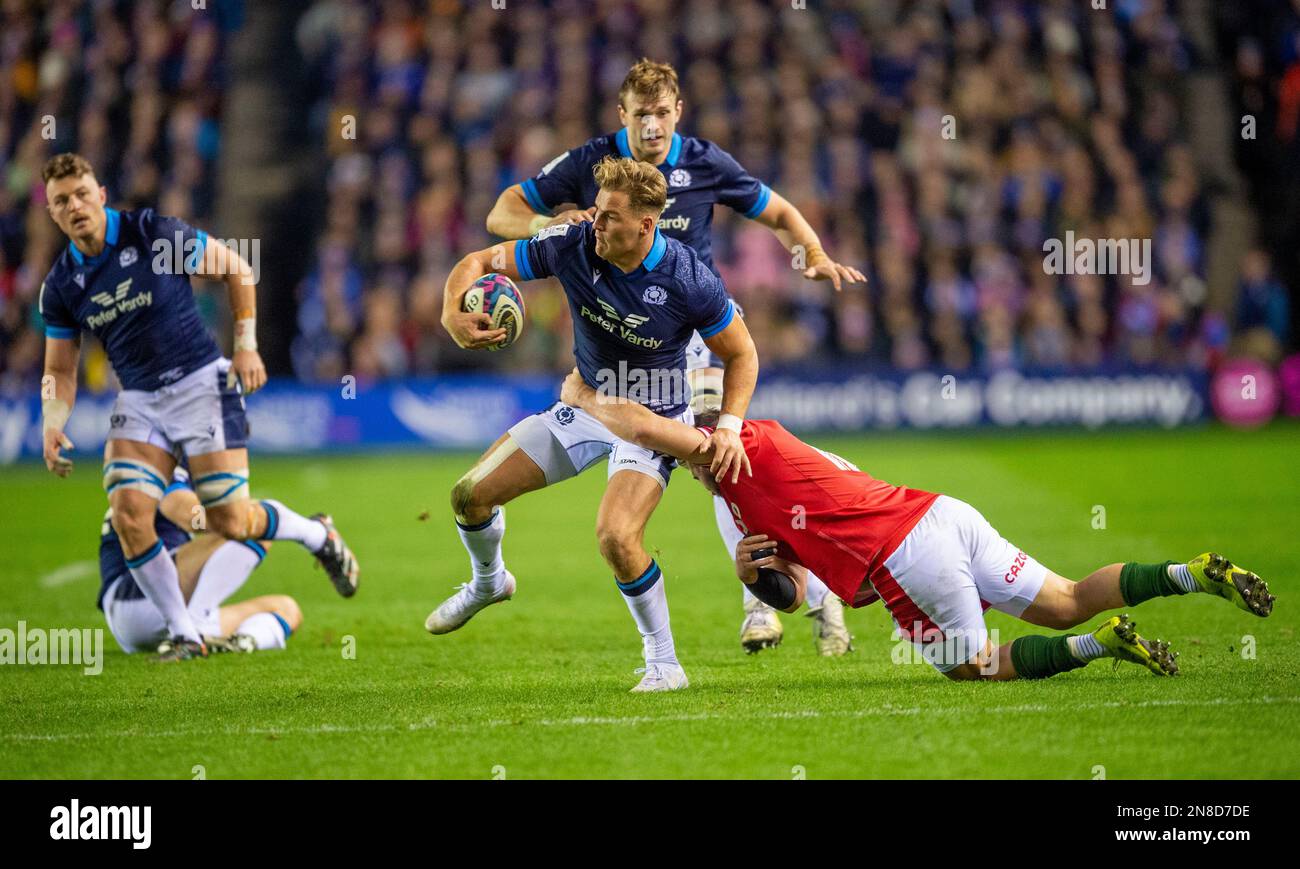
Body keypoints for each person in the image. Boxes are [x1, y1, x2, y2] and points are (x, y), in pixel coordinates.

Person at [487, 59, 866, 656]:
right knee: (706, 462)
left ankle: (766, 600)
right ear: (623, 116)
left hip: (699, 328)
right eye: (642, 115)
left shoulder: (705, 162)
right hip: (629, 342)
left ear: (678, 112)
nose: (654, 126)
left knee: (721, 454)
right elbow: (500, 213)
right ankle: (805, 588)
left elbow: (779, 213)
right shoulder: (593, 165)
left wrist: (811, 253)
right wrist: (552, 220)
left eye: (662, 113)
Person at [558, 368, 1275, 680]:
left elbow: (652, 428)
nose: (688, 469)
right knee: (1064, 598)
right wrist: (756, 576)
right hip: (942, 513)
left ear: (707, 439)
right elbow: (793, 588)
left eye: (690, 458)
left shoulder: (736, 448)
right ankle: (1190, 572)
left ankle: (1103, 647)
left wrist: (586, 397)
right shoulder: (748, 488)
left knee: (972, 665)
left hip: (906, 560)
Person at [431, 156, 757, 692]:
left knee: (616, 537)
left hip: (650, 419)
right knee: (469, 495)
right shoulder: (573, 241)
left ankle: (665, 665)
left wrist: (729, 426)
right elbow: (481, 260)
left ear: (645, 226)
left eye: (609, 217)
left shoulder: (688, 278)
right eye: (597, 210)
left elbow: (742, 355)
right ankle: (489, 583)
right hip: (584, 406)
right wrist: (451, 311)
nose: (595, 222)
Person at [37, 153, 358, 661]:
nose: (74, 206)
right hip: (139, 399)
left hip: (200, 384)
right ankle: (185, 632)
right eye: (61, 201)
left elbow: (236, 268)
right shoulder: (61, 287)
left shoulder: (150, 234)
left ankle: (316, 534)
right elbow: (59, 371)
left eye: (81, 194)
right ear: (52, 213)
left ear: (100, 195)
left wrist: (247, 345)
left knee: (231, 522)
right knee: (128, 510)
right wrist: (54, 423)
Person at [98, 467, 302, 657]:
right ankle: (195, 629)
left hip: (161, 613)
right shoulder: (162, 464)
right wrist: (237, 519)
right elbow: (189, 515)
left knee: (287, 609)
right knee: (253, 524)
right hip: (136, 596)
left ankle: (240, 641)